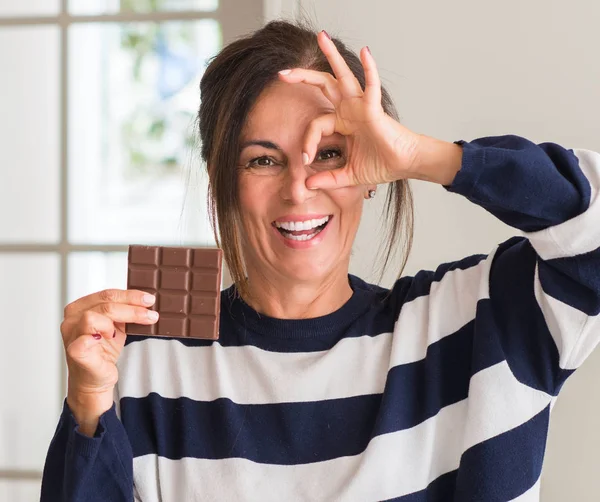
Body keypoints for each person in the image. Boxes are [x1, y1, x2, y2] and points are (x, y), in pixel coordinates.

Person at [41, 20, 600, 502]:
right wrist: (90, 405)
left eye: (330, 153)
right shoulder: (149, 364)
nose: (299, 189)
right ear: (221, 184)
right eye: (263, 160)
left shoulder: (479, 324)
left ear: (374, 172)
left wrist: (425, 156)